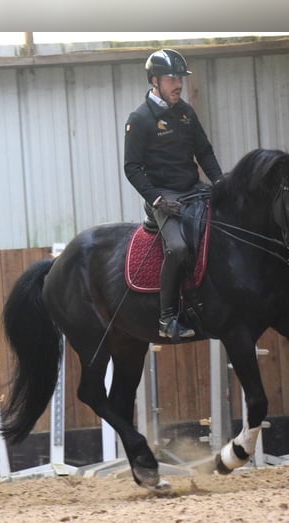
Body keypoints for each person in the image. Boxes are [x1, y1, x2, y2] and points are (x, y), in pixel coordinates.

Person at [124, 49, 224, 339]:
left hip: (194, 190)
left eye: (179, 78)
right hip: (164, 197)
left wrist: (220, 182)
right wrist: (157, 199)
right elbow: (131, 168)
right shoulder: (139, 119)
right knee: (179, 248)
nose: (178, 84)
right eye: (171, 79)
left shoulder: (185, 112)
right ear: (155, 80)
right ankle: (167, 319)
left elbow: (204, 151)